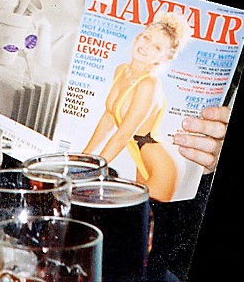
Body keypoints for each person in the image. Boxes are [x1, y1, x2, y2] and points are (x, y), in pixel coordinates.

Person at [82, 13, 191, 201]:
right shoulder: (121, 70)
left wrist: (94, 171)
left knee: (143, 216)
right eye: (146, 37)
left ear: (163, 58)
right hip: (140, 161)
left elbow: (123, 135)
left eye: (157, 47)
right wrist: (83, 158)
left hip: (161, 165)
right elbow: (108, 119)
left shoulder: (149, 84)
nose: (146, 46)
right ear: (138, 36)